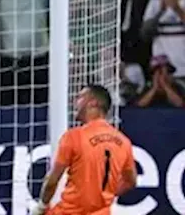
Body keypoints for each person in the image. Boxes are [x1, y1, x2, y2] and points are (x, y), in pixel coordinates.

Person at [32, 84, 135, 215]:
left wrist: (41, 207)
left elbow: (52, 181)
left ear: (92, 103)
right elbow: (130, 182)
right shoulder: (124, 142)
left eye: (80, 97)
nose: (75, 102)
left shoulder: (74, 136)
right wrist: (103, 196)